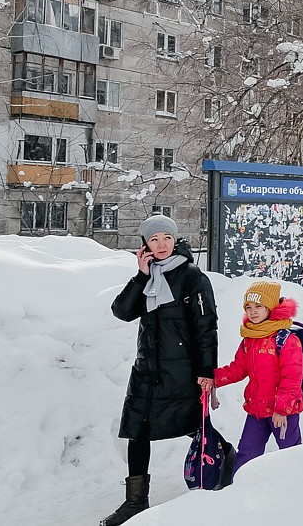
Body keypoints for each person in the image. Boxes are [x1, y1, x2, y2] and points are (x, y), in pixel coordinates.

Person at [102, 214, 219, 526]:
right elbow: (122, 312)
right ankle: (135, 502)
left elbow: (206, 328)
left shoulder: (192, 277)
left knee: (197, 425)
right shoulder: (148, 275)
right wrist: (140, 276)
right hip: (147, 370)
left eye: (166, 237)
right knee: (137, 431)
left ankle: (225, 458)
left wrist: (208, 372)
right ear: (145, 245)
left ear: (175, 239)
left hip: (182, 371)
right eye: (154, 239)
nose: (161, 244)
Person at [213, 280, 303, 473]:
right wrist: (213, 379)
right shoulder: (250, 339)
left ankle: (298, 487)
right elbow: (237, 369)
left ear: (270, 308)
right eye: (248, 307)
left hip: (283, 412)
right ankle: (236, 490)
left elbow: (292, 378)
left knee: (291, 453)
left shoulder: (286, 340)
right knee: (247, 454)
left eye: (258, 306)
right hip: (257, 410)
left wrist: (282, 409)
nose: (252, 311)